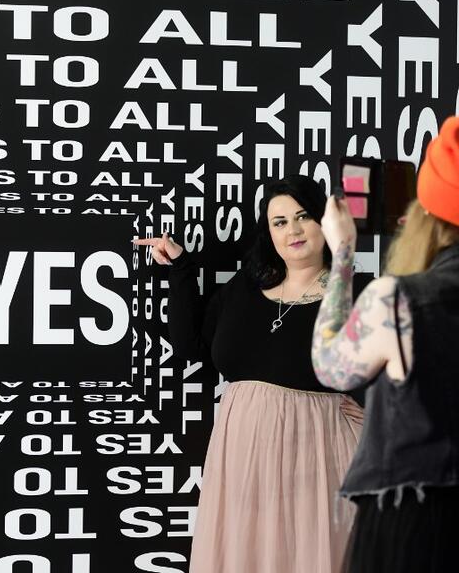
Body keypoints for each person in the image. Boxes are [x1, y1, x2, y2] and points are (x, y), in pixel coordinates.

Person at [135, 175, 367, 573]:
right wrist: (180, 267)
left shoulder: (354, 291)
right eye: (279, 222)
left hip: (318, 460)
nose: (292, 230)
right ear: (268, 231)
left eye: (303, 216)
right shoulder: (245, 288)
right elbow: (193, 348)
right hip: (241, 461)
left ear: (325, 222)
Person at [311, 116, 459, 573]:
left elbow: (332, 368)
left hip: (415, 525)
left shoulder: (398, 301)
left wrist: (341, 255)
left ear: (427, 215)